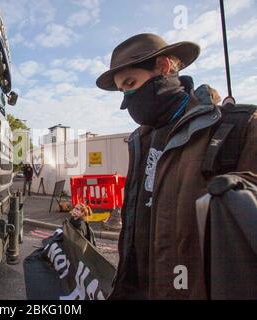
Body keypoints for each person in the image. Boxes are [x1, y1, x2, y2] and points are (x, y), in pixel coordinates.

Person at [96, 33, 257, 299]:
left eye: (131, 82)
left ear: (163, 67)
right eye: (122, 90)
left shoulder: (235, 129)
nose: (127, 99)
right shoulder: (140, 140)